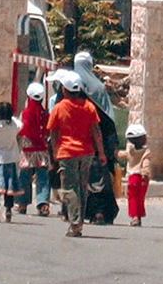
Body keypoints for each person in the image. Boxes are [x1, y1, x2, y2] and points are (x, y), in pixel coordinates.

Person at [46, 71, 106, 238]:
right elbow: (96, 131)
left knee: (70, 189)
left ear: (64, 90)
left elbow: (54, 133)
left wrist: (56, 152)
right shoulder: (89, 107)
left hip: (67, 154)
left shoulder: (59, 108)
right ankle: (79, 220)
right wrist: (101, 153)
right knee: (82, 187)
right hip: (86, 153)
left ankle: (75, 223)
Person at [73, 51, 120, 225]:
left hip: (76, 139)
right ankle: (100, 211)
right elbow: (109, 118)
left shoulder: (71, 87)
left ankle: (76, 211)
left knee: (76, 177)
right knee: (99, 176)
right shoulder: (98, 88)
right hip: (98, 140)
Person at [16, 82, 52, 216]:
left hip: (28, 147)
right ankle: (43, 204)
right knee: (42, 176)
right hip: (41, 146)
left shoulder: (25, 113)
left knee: (24, 175)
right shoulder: (44, 114)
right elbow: (48, 129)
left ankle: (22, 203)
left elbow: (22, 129)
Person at [120, 123, 151, 226]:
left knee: (132, 197)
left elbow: (122, 154)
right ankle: (139, 214)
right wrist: (145, 174)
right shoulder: (146, 151)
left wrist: (114, 152)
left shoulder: (130, 151)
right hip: (142, 178)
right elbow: (145, 163)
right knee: (140, 198)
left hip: (132, 177)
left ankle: (135, 217)